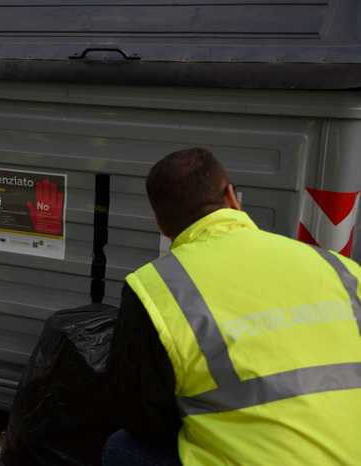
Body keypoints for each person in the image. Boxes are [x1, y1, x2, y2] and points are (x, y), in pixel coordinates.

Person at [103, 148, 361, 465]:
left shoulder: (155, 286)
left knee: (121, 447)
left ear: (161, 223)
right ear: (231, 196)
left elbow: (142, 419)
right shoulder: (341, 268)